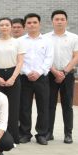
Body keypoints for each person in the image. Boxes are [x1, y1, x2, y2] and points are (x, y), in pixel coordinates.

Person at [46, 10, 78, 143]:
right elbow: (44, 57)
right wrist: (55, 71)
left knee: (67, 105)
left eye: (62, 19)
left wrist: (64, 72)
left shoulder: (74, 37)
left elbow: (77, 56)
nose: (59, 22)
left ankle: (68, 134)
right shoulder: (46, 38)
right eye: (57, 19)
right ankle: (48, 133)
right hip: (50, 74)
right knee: (49, 105)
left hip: (68, 75)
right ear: (52, 21)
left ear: (66, 21)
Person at [19, 13, 53, 145]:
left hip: (42, 78)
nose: (32, 25)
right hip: (24, 77)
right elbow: (18, 59)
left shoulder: (47, 41)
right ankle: (25, 133)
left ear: (39, 24)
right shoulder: (20, 41)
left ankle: (42, 134)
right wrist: (28, 72)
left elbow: (49, 59)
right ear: (25, 25)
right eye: (29, 23)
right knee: (24, 107)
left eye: (34, 22)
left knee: (43, 107)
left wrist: (38, 72)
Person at [0, 17, 25, 144]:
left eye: (7, 25)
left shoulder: (17, 42)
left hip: (13, 74)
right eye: (2, 25)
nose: (4, 27)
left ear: (11, 27)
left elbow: (20, 62)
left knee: (13, 107)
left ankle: (13, 137)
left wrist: (13, 78)